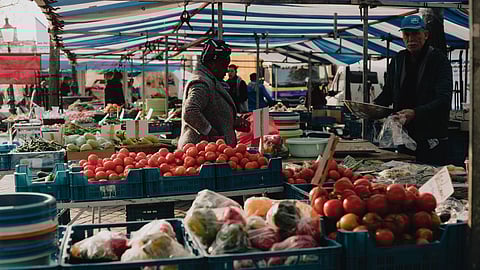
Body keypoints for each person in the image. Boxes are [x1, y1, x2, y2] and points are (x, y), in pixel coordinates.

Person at [374, 15, 452, 165]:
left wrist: (416, 113)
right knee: (405, 178)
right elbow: (389, 93)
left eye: (416, 33)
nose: (411, 39)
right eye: (407, 34)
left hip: (431, 139)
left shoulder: (438, 60)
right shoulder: (398, 60)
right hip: (403, 137)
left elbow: (443, 99)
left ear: (426, 35)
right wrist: (373, 106)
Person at [178, 39, 250, 148]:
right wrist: (211, 133)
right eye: (224, 65)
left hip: (212, 150)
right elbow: (190, 112)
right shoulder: (201, 82)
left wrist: (231, 121)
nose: (226, 71)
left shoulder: (209, 80)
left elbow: (212, 111)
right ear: (212, 63)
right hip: (201, 151)